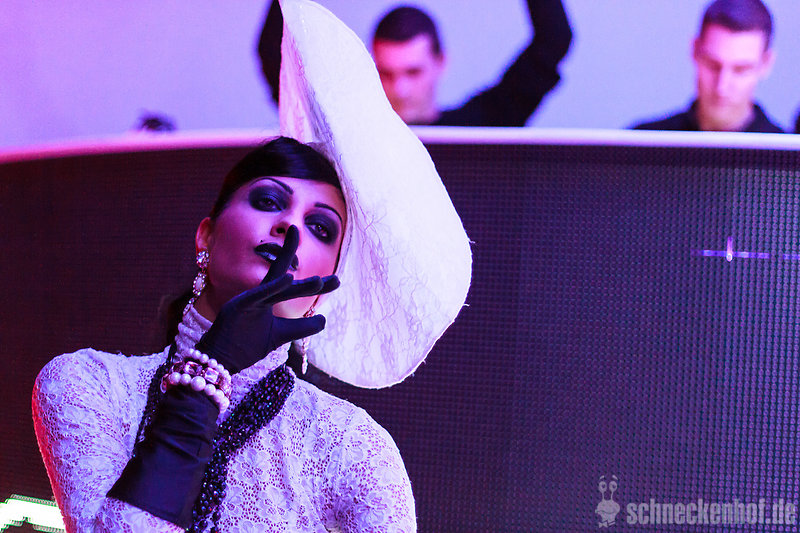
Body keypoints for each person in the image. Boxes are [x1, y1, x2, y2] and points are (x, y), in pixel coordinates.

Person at [32, 1, 472, 531]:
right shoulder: (87, 385)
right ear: (207, 234)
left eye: (321, 227)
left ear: (324, 288)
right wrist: (210, 367)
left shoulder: (353, 449)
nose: (290, 226)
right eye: (268, 201)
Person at [259, 0, 572, 126]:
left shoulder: (481, 125)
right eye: (386, 73)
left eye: (413, 71)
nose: (401, 89)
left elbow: (554, 39)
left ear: (440, 61)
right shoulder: (347, 133)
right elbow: (276, 58)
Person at [634, 0, 782, 133]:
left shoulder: (787, 151)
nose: (722, 86)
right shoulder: (642, 143)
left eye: (740, 70)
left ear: (766, 63)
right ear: (695, 50)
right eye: (713, 66)